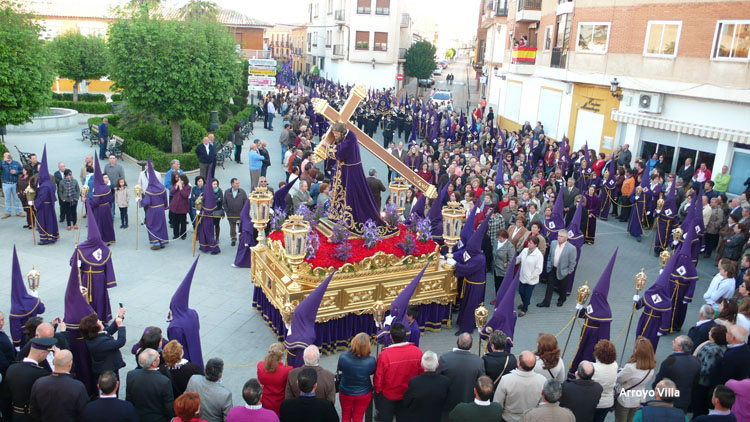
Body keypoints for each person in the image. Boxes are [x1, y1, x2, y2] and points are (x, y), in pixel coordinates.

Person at [373, 322, 424, 422]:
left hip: (389, 395)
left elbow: (379, 378)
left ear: (391, 337)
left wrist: (378, 391)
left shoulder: (385, 355)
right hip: (408, 395)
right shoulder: (417, 352)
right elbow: (421, 374)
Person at [0, 337, 56, 422]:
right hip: (33, 417)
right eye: (47, 353)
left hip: (15, 416)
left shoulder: (12, 368)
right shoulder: (41, 373)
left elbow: (5, 398)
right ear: (41, 354)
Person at [29, 349, 88, 421]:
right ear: (70, 363)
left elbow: (33, 410)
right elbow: (83, 414)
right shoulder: (78, 386)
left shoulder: (39, 383)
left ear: (53, 362)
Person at [438, 332, 486, 413]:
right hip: (468, 404)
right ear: (471, 345)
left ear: (457, 342)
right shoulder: (479, 362)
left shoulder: (445, 358)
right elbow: (482, 384)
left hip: (447, 404)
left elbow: (437, 380)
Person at [493, 350, 547, 422]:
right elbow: (542, 405)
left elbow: (497, 404)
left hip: (508, 419)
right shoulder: (542, 380)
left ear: (518, 363)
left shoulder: (506, 379)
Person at [651, 336, 700, 411]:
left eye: (675, 342)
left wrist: (656, 390)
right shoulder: (696, 361)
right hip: (685, 399)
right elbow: (696, 382)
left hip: (667, 398)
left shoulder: (670, 361)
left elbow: (659, 380)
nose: (672, 342)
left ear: (680, 348)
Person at [126, 348, 175, 422]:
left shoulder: (131, 375)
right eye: (158, 357)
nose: (159, 355)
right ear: (154, 364)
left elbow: (129, 399)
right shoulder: (164, 381)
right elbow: (169, 407)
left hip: (137, 417)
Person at [336, 332, 376, 422]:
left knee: (345, 416)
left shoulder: (343, 358)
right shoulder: (371, 361)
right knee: (358, 417)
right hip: (363, 393)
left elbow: (340, 368)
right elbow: (372, 372)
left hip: (345, 392)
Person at [81, 308, 127, 385]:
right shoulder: (100, 343)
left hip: (102, 367)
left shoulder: (93, 336)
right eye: (99, 322)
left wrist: (119, 317)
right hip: (109, 369)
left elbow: (109, 330)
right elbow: (120, 342)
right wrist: (121, 326)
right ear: (96, 328)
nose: (101, 321)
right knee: (112, 387)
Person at [614, 337, 656, 422]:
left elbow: (619, 379)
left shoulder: (631, 367)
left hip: (625, 398)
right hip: (639, 397)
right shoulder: (651, 367)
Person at [401, 351, 451, 422]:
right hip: (438, 417)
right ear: (437, 365)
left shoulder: (414, 382)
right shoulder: (445, 381)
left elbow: (407, 401)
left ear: (422, 365)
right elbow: (448, 402)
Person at [693, 325, 728, 416]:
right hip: (709, 383)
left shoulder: (711, 350)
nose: (709, 333)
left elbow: (706, 369)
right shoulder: (723, 347)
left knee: (698, 407)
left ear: (714, 335)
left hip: (702, 383)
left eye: (710, 332)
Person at [185, 357, 232, 422]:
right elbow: (228, 419)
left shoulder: (194, 379)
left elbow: (185, 400)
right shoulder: (225, 395)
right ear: (220, 375)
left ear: (205, 371)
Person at [538, 230, 577, 307]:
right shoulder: (553, 243)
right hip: (553, 268)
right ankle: (546, 302)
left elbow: (572, 262)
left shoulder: (571, 248)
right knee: (549, 286)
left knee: (562, 287)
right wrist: (549, 264)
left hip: (563, 271)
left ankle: (561, 299)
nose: (559, 238)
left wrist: (568, 272)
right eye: (558, 236)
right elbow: (550, 255)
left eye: (561, 236)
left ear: (566, 238)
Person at [257, 342, 292, 416]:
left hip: (264, 403)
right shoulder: (287, 370)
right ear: (281, 357)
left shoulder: (260, 366)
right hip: (280, 404)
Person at [591, 340, 618, 422]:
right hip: (607, 402)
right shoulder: (615, 365)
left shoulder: (593, 367)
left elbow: (578, 375)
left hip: (592, 402)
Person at [516, 236, 544, 316]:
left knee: (527, 294)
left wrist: (530, 277)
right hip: (523, 277)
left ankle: (524, 309)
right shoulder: (525, 250)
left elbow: (539, 269)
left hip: (532, 280)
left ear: (536, 244)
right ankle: (526, 303)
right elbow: (519, 259)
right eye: (529, 242)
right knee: (521, 291)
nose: (529, 244)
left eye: (531, 243)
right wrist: (512, 263)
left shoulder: (538, 255)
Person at [223, 178, 248, 247]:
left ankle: (241, 240)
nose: (238, 185)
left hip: (240, 215)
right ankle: (233, 239)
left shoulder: (242, 192)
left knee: (241, 228)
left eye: (238, 183)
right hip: (231, 214)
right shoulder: (227, 192)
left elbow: (246, 203)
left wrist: (244, 212)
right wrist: (227, 210)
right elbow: (224, 202)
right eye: (236, 183)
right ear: (232, 184)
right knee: (232, 228)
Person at [1, 151, 24, 218]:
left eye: (7, 155)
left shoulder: (16, 163)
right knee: (7, 199)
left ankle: (18, 211)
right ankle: (8, 212)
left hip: (15, 183)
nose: (6, 157)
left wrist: (16, 172)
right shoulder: (2, 163)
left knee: (16, 198)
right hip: (6, 183)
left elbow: (22, 171)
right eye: (5, 156)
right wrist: (3, 161)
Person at [492, 229, 516, 294]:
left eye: (501, 238)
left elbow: (512, 259)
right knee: (496, 284)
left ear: (505, 237)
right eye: (498, 237)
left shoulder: (510, 246)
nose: (499, 239)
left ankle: (501, 299)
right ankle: (497, 298)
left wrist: (507, 264)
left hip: (503, 270)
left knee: (502, 286)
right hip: (495, 268)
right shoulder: (496, 242)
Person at [170, 174, 191, 240]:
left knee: (183, 221)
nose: (179, 181)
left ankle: (183, 234)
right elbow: (172, 192)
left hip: (183, 207)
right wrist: (176, 187)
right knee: (175, 221)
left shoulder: (188, 187)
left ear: (184, 181)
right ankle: (176, 234)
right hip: (175, 206)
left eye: (180, 180)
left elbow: (185, 195)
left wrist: (181, 188)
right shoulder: (176, 184)